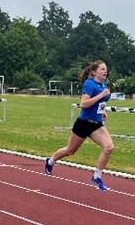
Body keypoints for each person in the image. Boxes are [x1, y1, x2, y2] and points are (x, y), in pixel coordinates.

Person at [44, 60, 114, 190]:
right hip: (83, 123)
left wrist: (102, 111)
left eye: (106, 69)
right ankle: (50, 161)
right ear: (94, 72)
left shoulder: (104, 85)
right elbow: (83, 104)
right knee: (70, 151)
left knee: (109, 147)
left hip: (96, 124)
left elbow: (99, 104)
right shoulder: (89, 84)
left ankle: (97, 176)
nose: (105, 71)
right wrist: (101, 96)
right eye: (102, 69)